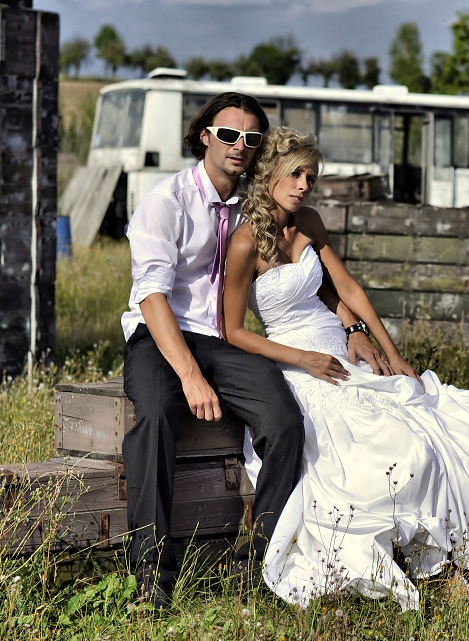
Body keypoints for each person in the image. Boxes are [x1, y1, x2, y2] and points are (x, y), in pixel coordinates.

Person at [222, 127, 469, 611]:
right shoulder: (244, 242)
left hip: (338, 347)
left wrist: (389, 352)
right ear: (269, 173)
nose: (305, 185)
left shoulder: (310, 222)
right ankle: (415, 565)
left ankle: (439, 561)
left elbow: (348, 290)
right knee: (364, 458)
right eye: (296, 173)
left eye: (312, 176)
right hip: (294, 362)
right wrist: (303, 360)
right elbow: (233, 332)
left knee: (421, 433)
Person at [119, 93, 380, 608]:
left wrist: (351, 327)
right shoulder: (165, 202)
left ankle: (257, 559)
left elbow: (315, 276)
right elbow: (151, 296)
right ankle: (150, 573)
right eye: (228, 134)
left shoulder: (254, 204)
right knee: (154, 415)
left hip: (223, 341)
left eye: (251, 138)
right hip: (161, 333)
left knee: (284, 423)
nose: (240, 145)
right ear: (204, 137)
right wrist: (190, 376)